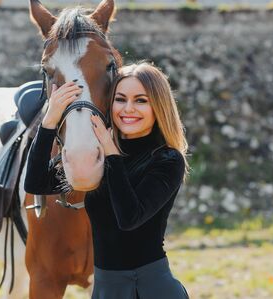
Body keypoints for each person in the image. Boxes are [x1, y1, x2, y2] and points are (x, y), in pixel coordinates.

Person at [24, 61, 190, 299]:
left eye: (141, 100)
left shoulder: (167, 159)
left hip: (151, 289)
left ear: (159, 106)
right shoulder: (98, 157)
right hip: (106, 289)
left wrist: (111, 152)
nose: (128, 109)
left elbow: (129, 218)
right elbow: (36, 183)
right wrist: (49, 121)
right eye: (120, 99)